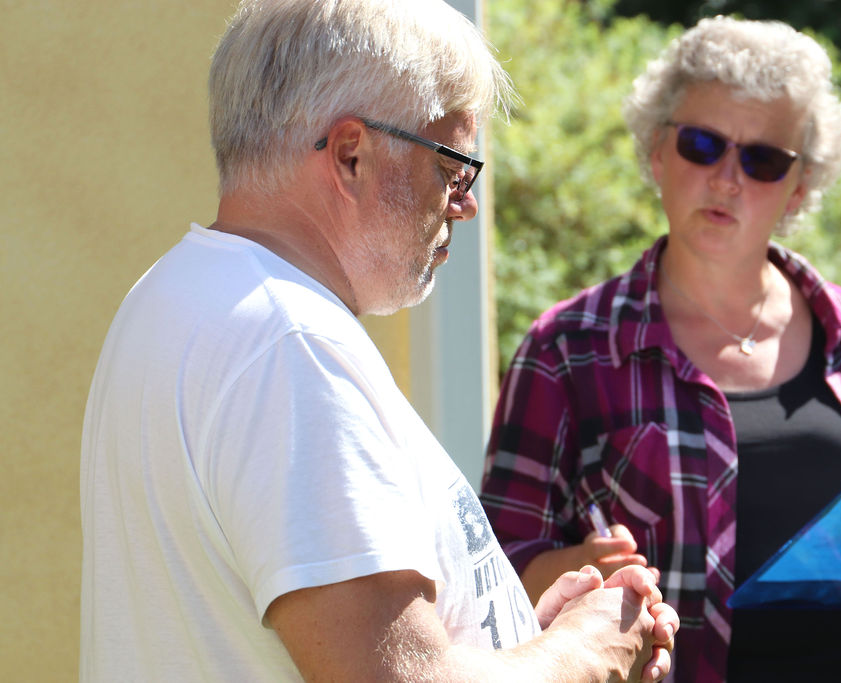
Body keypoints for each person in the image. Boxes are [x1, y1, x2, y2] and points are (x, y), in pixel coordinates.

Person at [79, 1, 679, 680]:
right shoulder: (293, 347)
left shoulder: (181, 293)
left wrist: (528, 638)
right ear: (351, 155)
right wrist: (586, 650)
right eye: (452, 168)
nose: (465, 204)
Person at [480, 16, 841, 683]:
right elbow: (491, 576)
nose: (726, 179)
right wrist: (573, 570)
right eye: (701, 144)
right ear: (656, 153)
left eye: (763, 160)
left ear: (799, 188)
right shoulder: (565, 350)